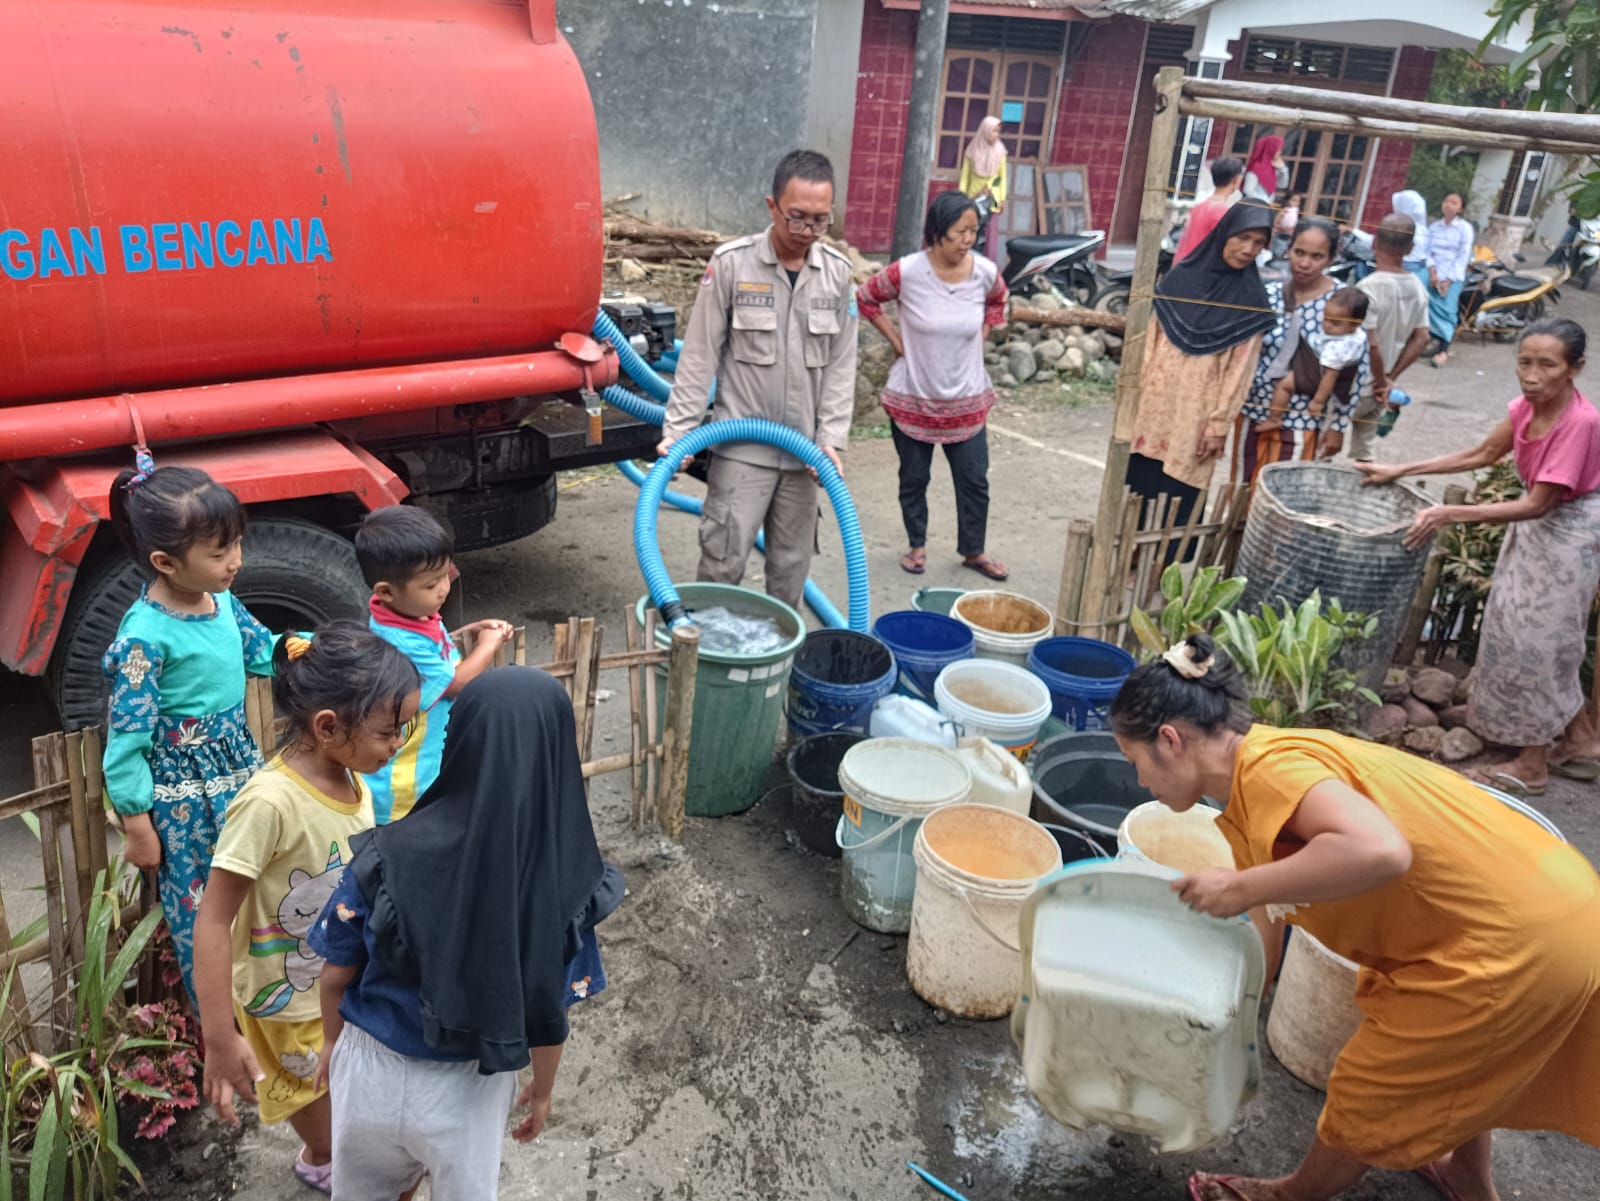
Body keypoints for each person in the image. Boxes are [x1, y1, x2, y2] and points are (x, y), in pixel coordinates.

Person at [1109, 633, 1599, 1201]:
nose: (1140, 779)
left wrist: (1239, 885)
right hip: (1554, 900)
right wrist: (1218, 1028)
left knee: (1372, 1088)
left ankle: (1292, 1196)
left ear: (1169, 741)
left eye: (1136, 761)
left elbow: (1381, 851)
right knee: (1464, 1058)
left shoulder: (1270, 773)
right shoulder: (1253, 774)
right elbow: (1267, 929)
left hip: (1519, 941)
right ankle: (1466, 1176)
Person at [309, 669, 622, 1201]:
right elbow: (551, 1015)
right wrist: (541, 1092)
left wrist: (333, 1045)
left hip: (368, 1075)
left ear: (459, 741)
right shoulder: (564, 889)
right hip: (468, 1091)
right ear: (555, 759)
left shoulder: (386, 856)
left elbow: (335, 971)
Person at [193, 622, 420, 1194]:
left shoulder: (351, 776)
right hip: (287, 1002)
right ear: (327, 726)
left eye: (404, 729)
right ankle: (321, 1159)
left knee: (343, 1090)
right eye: (389, 731)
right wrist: (219, 1034)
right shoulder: (269, 804)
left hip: (336, 985)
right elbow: (214, 918)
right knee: (322, 1116)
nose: (398, 744)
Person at [1358, 318, 1600, 796]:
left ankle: (1532, 765)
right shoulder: (1527, 407)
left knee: (1542, 642)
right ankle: (1581, 742)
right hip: (1536, 527)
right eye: (1524, 363)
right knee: (1523, 631)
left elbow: (1539, 503)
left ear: (1575, 369)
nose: (1531, 375)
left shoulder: (1581, 422)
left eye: (1546, 365)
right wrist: (1401, 467)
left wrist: (1448, 512)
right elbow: (1484, 452)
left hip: (1568, 533)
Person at [101, 460, 282, 1004]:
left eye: (238, 544)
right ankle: (222, 1030)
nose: (236, 562)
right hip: (188, 802)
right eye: (220, 552)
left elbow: (261, 649)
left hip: (240, 774)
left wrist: (306, 649)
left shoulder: (222, 601)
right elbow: (127, 739)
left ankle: (268, 1003)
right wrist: (138, 824)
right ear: (166, 562)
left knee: (259, 888)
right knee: (205, 911)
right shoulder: (144, 638)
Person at [657, 149, 858, 610]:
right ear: (772, 207)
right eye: (797, 218)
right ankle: (709, 665)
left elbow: (841, 366)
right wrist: (680, 434)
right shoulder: (731, 265)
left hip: (805, 456)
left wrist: (830, 440)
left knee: (790, 572)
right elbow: (699, 357)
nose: (807, 232)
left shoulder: (838, 276)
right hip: (742, 453)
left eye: (820, 221)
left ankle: (773, 672)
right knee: (722, 564)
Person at [856, 190, 1010, 580]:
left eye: (973, 231)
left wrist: (984, 336)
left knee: (974, 479)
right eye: (960, 231)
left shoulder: (984, 273)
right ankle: (917, 546)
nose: (968, 240)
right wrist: (897, 341)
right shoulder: (907, 272)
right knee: (914, 477)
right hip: (913, 398)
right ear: (938, 232)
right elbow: (866, 298)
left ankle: (974, 550)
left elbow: (999, 300)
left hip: (967, 399)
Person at [1127, 200, 1278, 550]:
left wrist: (1218, 425)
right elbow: (1151, 341)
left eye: (1258, 243)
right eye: (1243, 238)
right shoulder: (1181, 278)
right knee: (1138, 487)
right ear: (1226, 232)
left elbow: (1240, 373)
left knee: (1183, 497)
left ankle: (1167, 573)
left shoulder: (1250, 301)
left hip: (1199, 416)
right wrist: (1137, 390)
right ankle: (1130, 557)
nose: (1248, 249)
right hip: (1155, 406)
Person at [354, 505, 514, 824]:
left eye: (446, 575)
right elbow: (457, 683)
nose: (443, 588)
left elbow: (436, 650)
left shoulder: (407, 615)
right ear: (385, 592)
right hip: (404, 782)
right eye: (431, 584)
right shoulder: (399, 642)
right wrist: (487, 644)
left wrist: (467, 632)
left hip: (427, 762)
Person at [1232, 219, 1368, 487]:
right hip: (1252, 411)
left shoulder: (1342, 303)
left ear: (1331, 258)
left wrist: (1338, 427)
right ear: (1288, 250)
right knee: (1241, 489)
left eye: (1317, 256)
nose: (1305, 263)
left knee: (1284, 493)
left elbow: (1354, 373)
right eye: (1300, 253)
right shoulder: (1268, 296)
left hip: (1301, 419)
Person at [1349, 214, 1431, 462]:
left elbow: (1371, 343)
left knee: (1324, 441)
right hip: (1381, 389)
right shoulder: (1417, 287)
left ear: (1374, 243)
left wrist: (1379, 379)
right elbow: (1422, 337)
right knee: (1365, 449)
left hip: (1354, 384)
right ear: (1410, 249)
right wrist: (1389, 378)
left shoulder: (1369, 287)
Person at [1266, 286, 1368, 440]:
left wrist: (1317, 402)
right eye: (1326, 318)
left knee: (1284, 384)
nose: (1327, 325)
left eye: (1335, 323)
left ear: (1355, 324)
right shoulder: (1356, 336)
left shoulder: (1338, 347)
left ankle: (1274, 418)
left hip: (1320, 375)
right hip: (1322, 365)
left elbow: (1330, 375)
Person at [1423, 192, 1474, 367]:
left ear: (1461, 208)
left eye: (1453, 202)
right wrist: (1431, 272)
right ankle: (1427, 340)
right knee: (1427, 307)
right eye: (1446, 201)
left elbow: (1463, 256)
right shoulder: (1434, 227)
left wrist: (1449, 280)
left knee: (1447, 312)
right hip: (1433, 274)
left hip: (1452, 276)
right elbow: (1427, 251)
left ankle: (1443, 351)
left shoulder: (1464, 229)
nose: (1448, 205)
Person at [1175, 158, 1245, 264]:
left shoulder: (1199, 206)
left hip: (1183, 264)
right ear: (1236, 180)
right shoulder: (1222, 212)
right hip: (1198, 268)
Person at [958, 115, 1007, 261]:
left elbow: (1002, 177)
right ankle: (967, 262)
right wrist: (961, 199)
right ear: (985, 131)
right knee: (971, 232)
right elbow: (965, 177)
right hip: (973, 199)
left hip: (992, 199)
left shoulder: (1000, 152)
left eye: (998, 132)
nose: (996, 135)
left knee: (988, 235)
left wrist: (1001, 197)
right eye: (993, 131)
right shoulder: (972, 150)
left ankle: (984, 265)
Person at [1241, 135, 1286, 204]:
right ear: (1271, 148)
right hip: (1254, 206)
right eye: (1278, 149)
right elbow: (1248, 190)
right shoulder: (1255, 166)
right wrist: (1265, 202)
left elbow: (1282, 185)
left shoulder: (1273, 167)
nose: (1280, 152)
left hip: (1264, 207)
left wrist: (1283, 169)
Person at [1269, 191, 1303, 258]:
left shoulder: (1297, 212)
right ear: (1288, 200)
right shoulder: (1284, 210)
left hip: (1290, 237)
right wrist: (1281, 227)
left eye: (1298, 201)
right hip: (1280, 235)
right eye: (1294, 200)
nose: (1296, 203)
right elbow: (1275, 223)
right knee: (1278, 253)